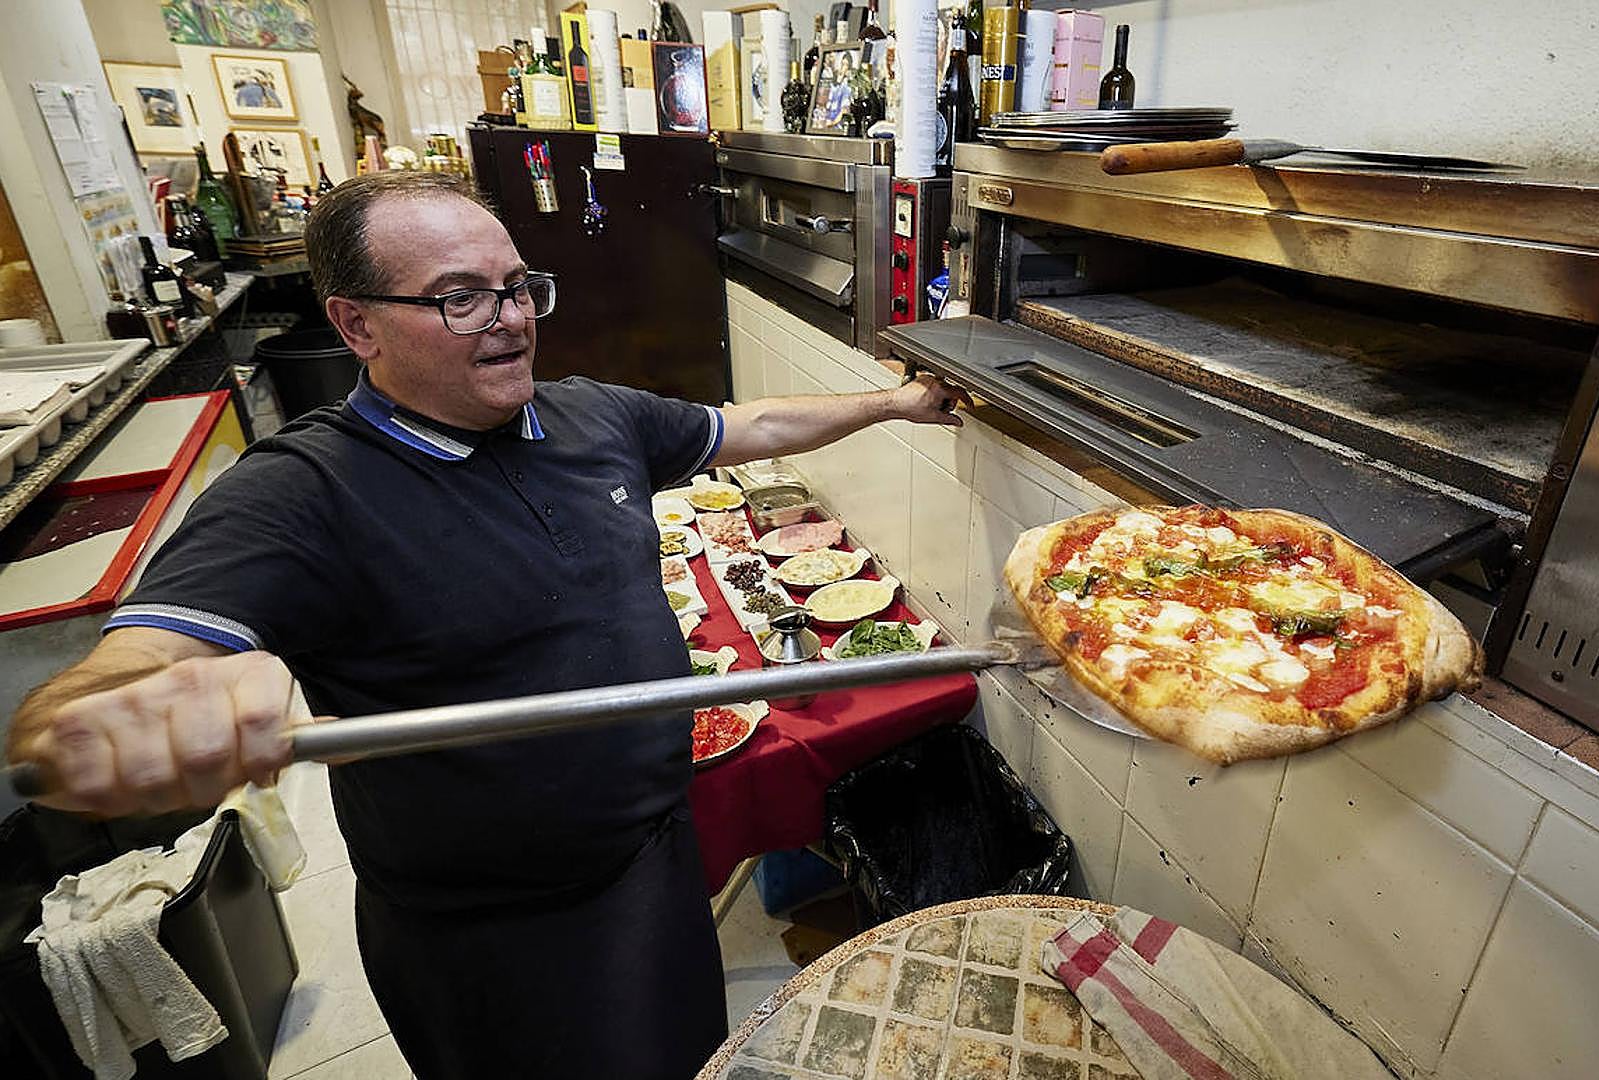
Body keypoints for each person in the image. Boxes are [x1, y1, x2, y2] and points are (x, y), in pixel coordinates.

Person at [4, 171, 963, 1078]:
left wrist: (895, 403)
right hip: (485, 924)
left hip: (655, 858)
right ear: (355, 323)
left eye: (517, 288)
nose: (508, 320)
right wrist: (129, 711)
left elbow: (747, 426)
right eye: (460, 297)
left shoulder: (592, 417)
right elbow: (122, 671)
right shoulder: (302, 492)